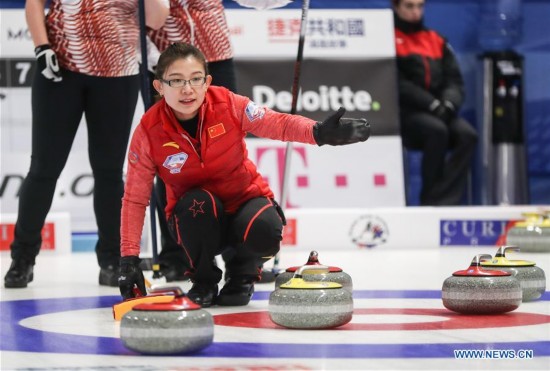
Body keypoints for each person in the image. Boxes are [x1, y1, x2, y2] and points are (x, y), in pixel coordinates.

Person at [118, 42, 370, 307]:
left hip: (244, 201)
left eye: (195, 79)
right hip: (196, 216)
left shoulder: (228, 103)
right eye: (176, 81)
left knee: (265, 229)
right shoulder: (148, 131)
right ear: (159, 86)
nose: (187, 89)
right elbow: (135, 199)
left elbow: (277, 123)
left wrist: (318, 132)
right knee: (198, 203)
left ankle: (242, 276)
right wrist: (128, 259)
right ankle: (204, 280)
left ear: (207, 82)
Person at [4, 0, 169, 289]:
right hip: (61, 67)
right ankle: (23, 258)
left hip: (119, 71)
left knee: (108, 170)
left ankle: (111, 260)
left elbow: (154, 19)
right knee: (44, 167)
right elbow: (34, 4)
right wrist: (41, 47)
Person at [144, 0, 238, 282]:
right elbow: (155, 17)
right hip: (171, 67)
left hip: (217, 58)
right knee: (172, 160)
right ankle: (176, 255)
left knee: (228, 155)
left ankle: (238, 253)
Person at [392, 0, 478, 205]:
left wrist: (448, 104)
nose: (416, 12)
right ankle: (429, 200)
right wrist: (431, 104)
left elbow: (454, 81)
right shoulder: (389, 40)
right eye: (409, 6)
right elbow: (398, 83)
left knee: (468, 135)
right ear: (396, 8)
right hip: (406, 114)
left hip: (441, 110)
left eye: (420, 6)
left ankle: (442, 197)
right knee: (436, 130)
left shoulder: (436, 40)